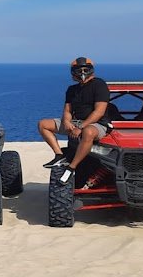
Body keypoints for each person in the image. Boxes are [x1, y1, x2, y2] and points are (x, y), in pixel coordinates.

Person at [37, 57, 112, 185]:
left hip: (96, 124)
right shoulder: (72, 89)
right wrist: (66, 122)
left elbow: (99, 112)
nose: (82, 72)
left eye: (85, 69)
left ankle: (72, 167)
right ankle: (59, 156)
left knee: (88, 132)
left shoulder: (99, 85)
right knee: (43, 124)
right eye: (79, 70)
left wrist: (81, 127)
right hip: (75, 122)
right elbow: (67, 110)